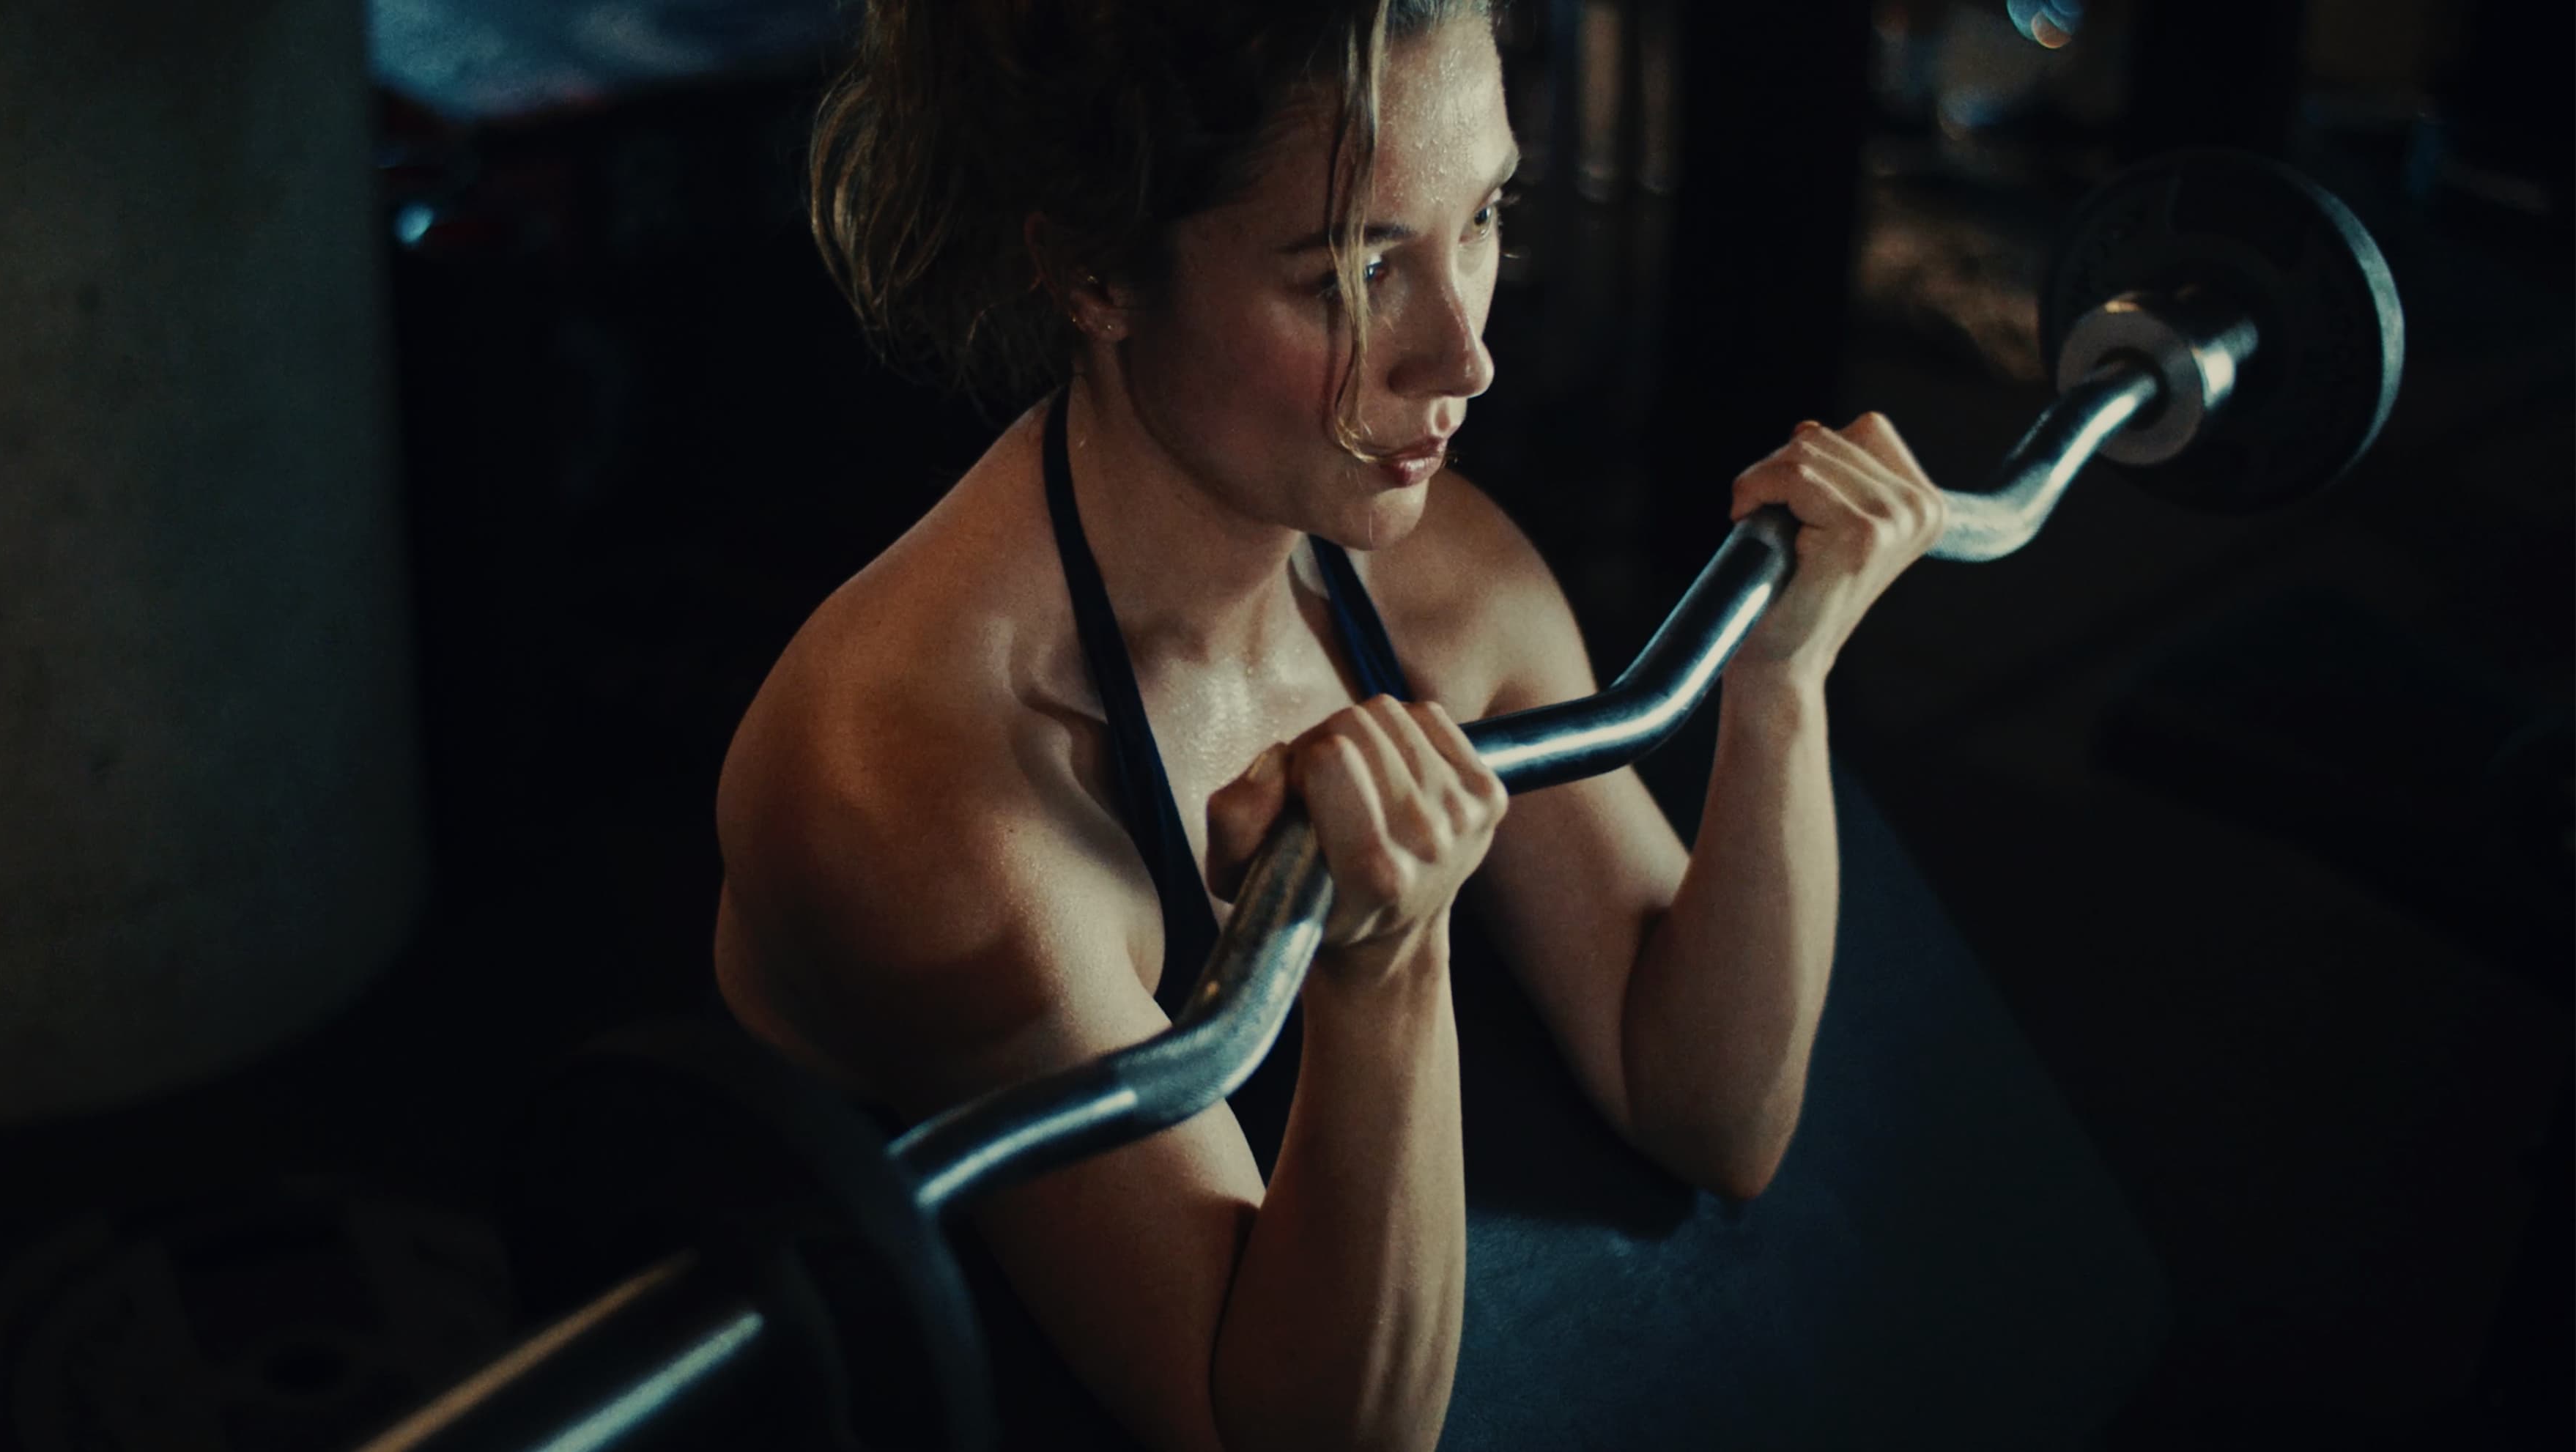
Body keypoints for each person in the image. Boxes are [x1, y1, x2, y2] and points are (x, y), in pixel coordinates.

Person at [713, 1, 1949, 1447]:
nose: (1462, 354)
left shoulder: (1441, 581)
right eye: (1356, 268)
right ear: (1098, 272)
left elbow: (1712, 1110)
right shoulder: (920, 783)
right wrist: (1386, 968)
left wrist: (1781, 683)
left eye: (1481, 216)